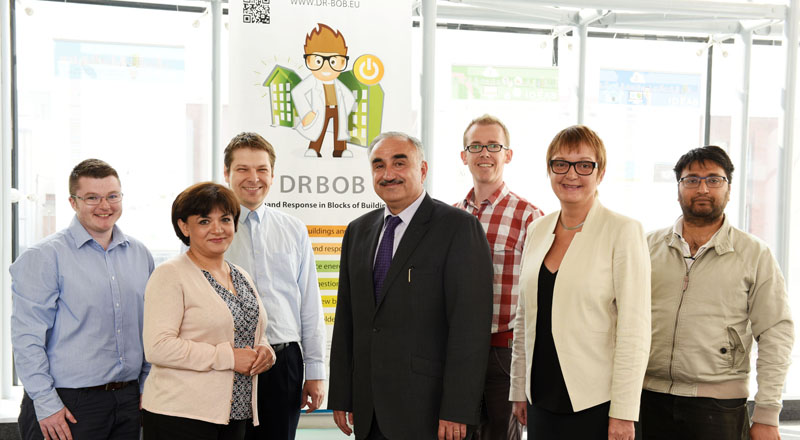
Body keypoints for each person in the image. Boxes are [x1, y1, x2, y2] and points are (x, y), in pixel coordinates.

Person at [328, 132, 494, 439]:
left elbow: (469, 329)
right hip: (369, 409)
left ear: (423, 169)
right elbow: (347, 320)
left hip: (429, 411)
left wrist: (457, 408)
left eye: (399, 163)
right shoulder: (358, 231)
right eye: (378, 165)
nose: (388, 174)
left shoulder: (458, 228)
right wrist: (341, 394)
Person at [641, 146, 794, 440]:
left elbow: (776, 333)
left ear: (729, 189)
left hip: (719, 405)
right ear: (678, 189)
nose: (703, 188)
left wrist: (767, 414)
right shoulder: (646, 247)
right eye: (692, 180)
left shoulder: (754, 253)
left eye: (714, 180)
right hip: (647, 398)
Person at [509, 125, 651, 440]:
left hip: (596, 401)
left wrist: (624, 412)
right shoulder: (537, 228)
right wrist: (519, 387)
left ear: (600, 173)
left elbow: (635, 330)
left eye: (584, 165)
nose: (571, 174)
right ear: (549, 170)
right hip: (540, 397)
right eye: (561, 164)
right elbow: (525, 320)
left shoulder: (622, 231)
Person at [11, 158, 154, 440]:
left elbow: (149, 326)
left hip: (128, 400)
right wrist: (45, 402)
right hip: (67, 404)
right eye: (92, 198)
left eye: (112, 196)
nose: (105, 206)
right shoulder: (44, 256)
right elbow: (27, 337)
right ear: (73, 202)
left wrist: (148, 382)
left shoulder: (140, 254)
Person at [141, 182, 275, 440]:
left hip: (234, 415)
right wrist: (228, 357)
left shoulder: (240, 275)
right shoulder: (170, 275)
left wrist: (265, 351)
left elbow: (253, 332)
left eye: (225, 219)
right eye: (204, 221)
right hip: (180, 417)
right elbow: (158, 347)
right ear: (184, 226)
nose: (217, 229)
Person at [222, 132, 327, 440]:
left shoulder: (293, 229)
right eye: (242, 169)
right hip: (228, 364)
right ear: (226, 173)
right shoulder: (208, 230)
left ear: (272, 174)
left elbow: (309, 303)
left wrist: (316, 372)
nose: (253, 178)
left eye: (262, 169)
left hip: (284, 365)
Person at [454, 114, 542, 440]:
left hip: (503, 354)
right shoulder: (450, 217)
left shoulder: (529, 217)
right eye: (475, 146)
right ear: (464, 156)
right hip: (457, 353)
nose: (484, 153)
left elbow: (539, 295)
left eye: (494, 145)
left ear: (508, 154)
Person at [291, 23, 356, 158]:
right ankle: (314, 149)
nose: (326, 66)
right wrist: (306, 113)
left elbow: (349, 97)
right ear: (309, 61)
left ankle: (340, 150)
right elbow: (297, 92)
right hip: (321, 109)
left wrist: (344, 110)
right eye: (319, 60)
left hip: (337, 108)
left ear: (342, 63)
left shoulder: (337, 84)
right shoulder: (312, 80)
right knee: (319, 129)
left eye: (333, 61)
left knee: (340, 130)